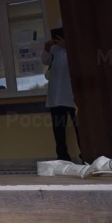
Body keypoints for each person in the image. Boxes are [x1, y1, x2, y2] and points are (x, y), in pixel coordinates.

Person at [42, 23, 80, 162]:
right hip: (56, 97)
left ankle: (86, 155)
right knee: (58, 129)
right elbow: (44, 60)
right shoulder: (54, 49)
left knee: (79, 127)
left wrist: (67, 46)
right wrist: (47, 47)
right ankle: (63, 157)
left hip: (72, 95)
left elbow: (82, 60)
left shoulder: (78, 45)